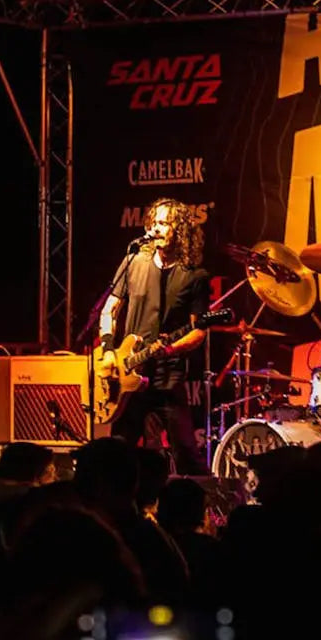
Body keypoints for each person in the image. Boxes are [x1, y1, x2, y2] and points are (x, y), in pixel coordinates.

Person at [98, 197, 209, 475]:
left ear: (179, 229)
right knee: (117, 452)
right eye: (155, 222)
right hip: (128, 376)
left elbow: (198, 332)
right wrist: (109, 348)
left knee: (185, 453)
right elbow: (110, 309)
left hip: (167, 379)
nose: (157, 229)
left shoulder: (194, 276)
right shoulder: (134, 261)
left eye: (165, 223)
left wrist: (170, 350)